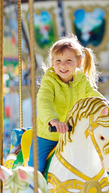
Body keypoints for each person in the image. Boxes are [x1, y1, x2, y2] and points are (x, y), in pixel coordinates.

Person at [30, 34, 104, 173]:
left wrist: (107, 106)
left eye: (68, 60)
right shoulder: (49, 80)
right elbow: (44, 101)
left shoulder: (81, 80)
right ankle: (32, 189)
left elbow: (92, 95)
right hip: (48, 135)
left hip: (73, 136)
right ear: (52, 62)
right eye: (58, 60)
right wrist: (54, 121)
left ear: (79, 62)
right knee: (36, 168)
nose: (62, 65)